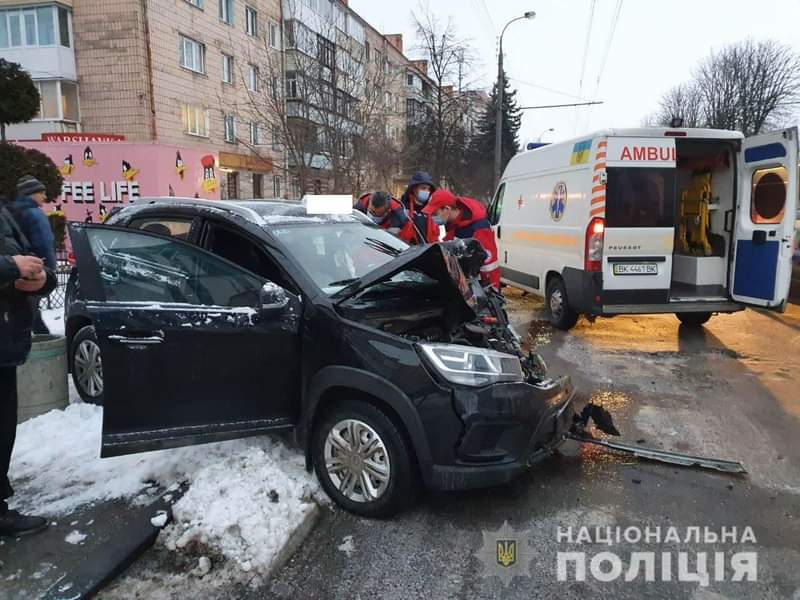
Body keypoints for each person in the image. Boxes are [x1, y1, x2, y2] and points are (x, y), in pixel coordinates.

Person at [0, 202, 57, 536]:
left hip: (6, 345)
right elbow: (14, 262)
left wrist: (42, 279)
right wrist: (11, 266)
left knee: (4, 429)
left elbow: (32, 260)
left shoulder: (6, 212)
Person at [423, 189, 501, 289]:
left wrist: (493, 293)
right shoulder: (454, 225)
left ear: (446, 209)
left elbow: (489, 266)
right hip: (462, 287)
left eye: (435, 214)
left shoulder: (479, 227)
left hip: (478, 288)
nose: (432, 218)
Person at [10, 176, 57, 335]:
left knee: (25, 308)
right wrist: (50, 271)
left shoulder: (9, 211)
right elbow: (44, 244)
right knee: (31, 310)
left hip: (15, 267)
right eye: (41, 192)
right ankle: (43, 342)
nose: (44, 196)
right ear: (31, 193)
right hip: (35, 267)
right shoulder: (35, 214)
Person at [399, 171, 439, 244]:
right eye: (423, 188)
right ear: (414, 189)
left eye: (429, 189)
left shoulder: (430, 211)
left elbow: (434, 237)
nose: (427, 191)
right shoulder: (402, 208)